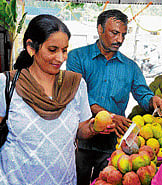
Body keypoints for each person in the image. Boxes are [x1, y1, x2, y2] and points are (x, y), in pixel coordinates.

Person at [0, 14, 114, 185]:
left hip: (63, 180)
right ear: (31, 47)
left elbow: (80, 130)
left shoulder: (75, 84)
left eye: (65, 50)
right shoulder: (7, 84)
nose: (61, 58)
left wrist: (93, 127)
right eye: (53, 50)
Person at [66, 9, 162, 185]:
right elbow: (76, 95)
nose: (119, 39)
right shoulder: (77, 57)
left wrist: (153, 101)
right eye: (115, 33)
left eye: (123, 34)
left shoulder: (130, 67)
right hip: (80, 140)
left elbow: (143, 94)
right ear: (100, 29)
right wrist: (108, 115)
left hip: (112, 146)